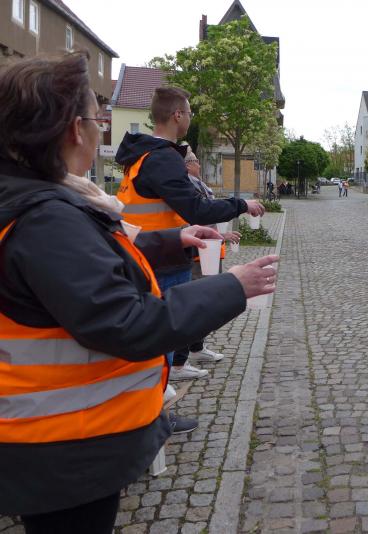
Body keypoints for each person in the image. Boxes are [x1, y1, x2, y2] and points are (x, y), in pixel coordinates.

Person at [0, 52, 278, 534]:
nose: (102, 127)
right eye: (97, 118)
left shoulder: (39, 199)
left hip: (55, 438)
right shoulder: (46, 218)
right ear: (74, 130)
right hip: (61, 444)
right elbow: (127, 322)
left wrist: (171, 238)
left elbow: (89, 261)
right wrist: (232, 286)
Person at [115, 86, 266, 384]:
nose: (190, 118)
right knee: (167, 332)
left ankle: (161, 384)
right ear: (177, 115)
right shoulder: (163, 158)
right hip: (164, 257)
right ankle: (159, 391)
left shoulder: (140, 156)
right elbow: (196, 208)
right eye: (189, 112)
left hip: (146, 249)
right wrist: (241, 205)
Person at [183, 147, 241, 365]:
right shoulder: (189, 186)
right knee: (199, 299)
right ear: (188, 164)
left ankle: (197, 347)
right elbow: (199, 217)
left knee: (204, 298)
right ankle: (185, 355)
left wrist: (222, 235)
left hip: (209, 249)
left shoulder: (197, 185)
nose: (199, 164)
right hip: (199, 250)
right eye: (196, 161)